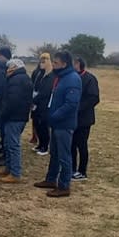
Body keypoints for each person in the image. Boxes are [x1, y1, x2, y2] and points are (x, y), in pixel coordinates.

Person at [34, 51, 81, 197]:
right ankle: (51, 179)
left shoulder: (72, 79)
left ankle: (64, 186)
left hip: (64, 125)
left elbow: (71, 104)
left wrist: (54, 116)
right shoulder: (60, 77)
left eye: (55, 62)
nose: (52, 64)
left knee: (64, 155)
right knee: (54, 153)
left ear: (64, 64)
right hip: (55, 123)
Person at [0, 58, 33, 183]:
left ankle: (15, 173)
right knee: (8, 143)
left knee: (13, 145)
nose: (7, 69)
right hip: (17, 116)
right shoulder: (21, 78)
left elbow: (12, 101)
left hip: (14, 117)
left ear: (14, 68)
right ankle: (9, 167)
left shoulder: (16, 80)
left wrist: (3, 114)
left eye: (9, 67)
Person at [72, 57, 100, 181]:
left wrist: (78, 108)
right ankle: (71, 168)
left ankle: (82, 171)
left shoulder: (89, 79)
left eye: (74, 63)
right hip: (72, 118)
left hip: (84, 119)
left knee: (81, 145)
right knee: (71, 144)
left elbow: (94, 98)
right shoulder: (72, 77)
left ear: (79, 64)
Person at [31, 53, 54, 153]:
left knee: (43, 125)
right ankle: (40, 144)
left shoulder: (51, 75)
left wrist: (35, 99)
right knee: (36, 123)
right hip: (36, 102)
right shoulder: (39, 73)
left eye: (44, 61)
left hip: (44, 104)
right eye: (41, 61)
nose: (41, 63)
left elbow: (45, 91)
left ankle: (45, 146)